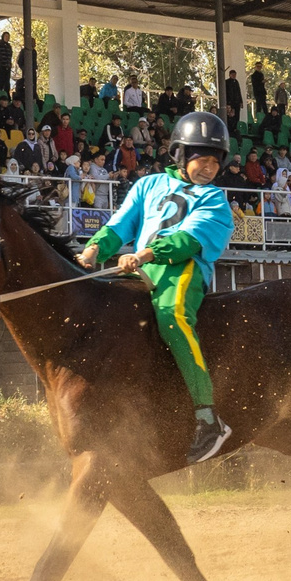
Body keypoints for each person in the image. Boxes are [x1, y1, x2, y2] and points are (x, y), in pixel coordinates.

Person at [76, 109, 239, 464]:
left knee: (171, 316)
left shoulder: (216, 200)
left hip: (182, 272)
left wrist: (145, 253)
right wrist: (93, 250)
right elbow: (120, 226)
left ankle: (208, 418)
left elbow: (186, 241)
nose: (209, 168)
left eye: (215, 162)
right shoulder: (147, 185)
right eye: (202, 160)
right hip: (140, 267)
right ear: (180, 155)